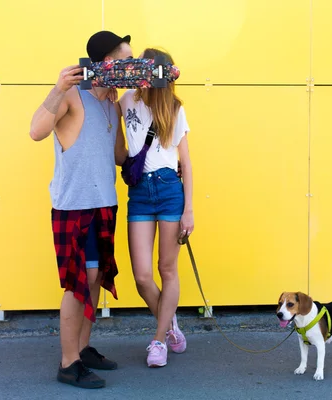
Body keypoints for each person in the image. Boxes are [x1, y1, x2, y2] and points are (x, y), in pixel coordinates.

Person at [29, 31, 133, 389]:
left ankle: (83, 348)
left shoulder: (111, 104)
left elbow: (118, 155)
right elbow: (36, 131)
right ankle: (68, 363)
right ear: (104, 64)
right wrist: (58, 87)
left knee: (97, 277)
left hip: (104, 202)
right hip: (75, 206)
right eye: (124, 61)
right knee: (79, 284)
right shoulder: (73, 95)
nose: (129, 67)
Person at [116, 48, 194, 368]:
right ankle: (170, 322)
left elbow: (186, 164)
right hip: (140, 192)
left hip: (168, 189)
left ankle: (159, 340)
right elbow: (120, 147)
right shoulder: (126, 101)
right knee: (142, 276)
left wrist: (189, 209)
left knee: (167, 269)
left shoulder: (174, 109)